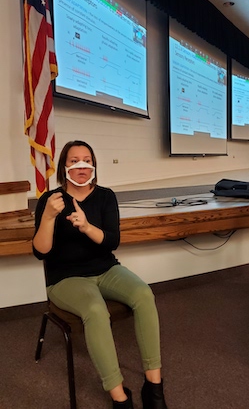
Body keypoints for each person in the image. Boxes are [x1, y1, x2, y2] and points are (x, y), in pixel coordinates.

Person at [33, 140, 168, 409]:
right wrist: (48, 217)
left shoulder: (106, 196)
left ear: (93, 165)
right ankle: (119, 396)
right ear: (64, 166)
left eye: (86, 159)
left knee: (143, 293)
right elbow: (41, 252)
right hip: (66, 278)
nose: (81, 165)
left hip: (106, 269)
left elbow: (111, 241)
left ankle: (154, 386)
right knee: (95, 310)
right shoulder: (51, 201)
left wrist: (86, 227)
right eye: (73, 160)